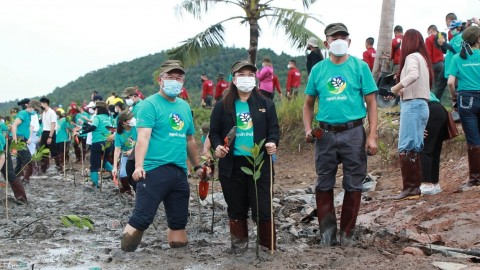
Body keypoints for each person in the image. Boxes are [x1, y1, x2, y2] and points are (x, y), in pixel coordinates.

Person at [303, 23, 378, 246]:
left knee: (354, 184)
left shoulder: (360, 66)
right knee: (323, 183)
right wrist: (308, 129)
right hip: (324, 134)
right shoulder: (318, 70)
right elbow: (308, 104)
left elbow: (372, 103)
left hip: (353, 132)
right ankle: (327, 235)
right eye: (334, 37)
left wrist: (372, 135)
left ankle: (347, 235)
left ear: (349, 42)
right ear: (326, 43)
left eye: (343, 37)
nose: (339, 40)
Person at [121, 60, 204, 252]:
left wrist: (197, 166)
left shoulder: (184, 107)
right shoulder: (150, 104)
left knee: (179, 224)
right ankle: (123, 257)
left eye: (178, 78)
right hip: (153, 170)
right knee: (142, 218)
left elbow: (190, 140)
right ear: (160, 79)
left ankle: (177, 260)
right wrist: (139, 166)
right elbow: (143, 137)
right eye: (170, 77)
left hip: (179, 173)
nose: (174, 81)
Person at [209, 59, 280, 253]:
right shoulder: (222, 106)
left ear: (255, 78)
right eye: (242, 75)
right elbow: (214, 133)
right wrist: (217, 147)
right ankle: (239, 249)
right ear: (233, 79)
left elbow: (274, 130)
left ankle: (267, 249)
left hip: (259, 163)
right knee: (236, 208)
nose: (246, 78)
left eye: (250, 75)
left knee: (263, 208)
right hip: (232, 166)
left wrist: (272, 142)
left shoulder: (265, 104)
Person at [390, 29, 433, 200]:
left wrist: (396, 88)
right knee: (414, 146)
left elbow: (413, 75)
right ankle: (414, 188)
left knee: (406, 146)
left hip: (412, 105)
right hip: (422, 105)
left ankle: (410, 188)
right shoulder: (423, 58)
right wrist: (403, 90)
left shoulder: (411, 57)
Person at [447, 26, 480, 189]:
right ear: (478, 39)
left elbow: (450, 82)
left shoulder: (457, 58)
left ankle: (475, 179)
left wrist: (454, 98)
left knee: (473, 140)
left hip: (466, 99)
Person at [75, 101, 114, 187]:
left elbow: (93, 127)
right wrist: (84, 125)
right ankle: (114, 172)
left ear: (98, 109)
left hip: (97, 142)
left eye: (95, 108)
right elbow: (93, 126)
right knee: (104, 162)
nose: (94, 110)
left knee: (94, 165)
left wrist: (81, 133)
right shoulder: (108, 118)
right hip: (108, 143)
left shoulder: (97, 117)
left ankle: (95, 185)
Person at [420, 91, 448, 195]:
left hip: (428, 111)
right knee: (435, 150)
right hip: (440, 110)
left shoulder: (406, 83)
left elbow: (413, 106)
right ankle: (435, 183)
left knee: (425, 149)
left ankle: (426, 184)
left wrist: (418, 124)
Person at [112, 110, 137, 196]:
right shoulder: (119, 134)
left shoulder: (136, 128)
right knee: (123, 174)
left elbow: (143, 141)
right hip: (126, 156)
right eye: (130, 119)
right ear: (124, 122)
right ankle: (128, 190)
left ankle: (139, 190)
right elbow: (117, 150)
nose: (133, 119)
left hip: (139, 153)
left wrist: (133, 151)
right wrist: (114, 167)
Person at [10, 99, 34, 186]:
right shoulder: (23, 113)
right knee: (27, 158)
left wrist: (28, 138)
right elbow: (14, 125)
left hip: (22, 139)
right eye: (34, 109)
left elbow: (24, 128)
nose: (34, 111)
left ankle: (15, 179)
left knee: (20, 160)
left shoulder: (27, 115)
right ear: (28, 106)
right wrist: (15, 140)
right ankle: (25, 179)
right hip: (19, 140)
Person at [426, 25, 448, 100]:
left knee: (431, 85)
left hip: (433, 65)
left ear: (431, 31)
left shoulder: (428, 39)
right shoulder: (441, 37)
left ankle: (433, 101)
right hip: (441, 63)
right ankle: (439, 102)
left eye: (428, 32)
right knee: (440, 86)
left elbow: (428, 54)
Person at [39, 97, 60, 173]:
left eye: (41, 104)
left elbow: (53, 125)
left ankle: (59, 166)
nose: (40, 105)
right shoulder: (44, 113)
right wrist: (41, 136)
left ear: (45, 103)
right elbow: (44, 126)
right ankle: (43, 168)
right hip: (44, 132)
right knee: (43, 151)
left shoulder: (52, 112)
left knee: (54, 151)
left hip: (51, 132)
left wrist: (50, 136)